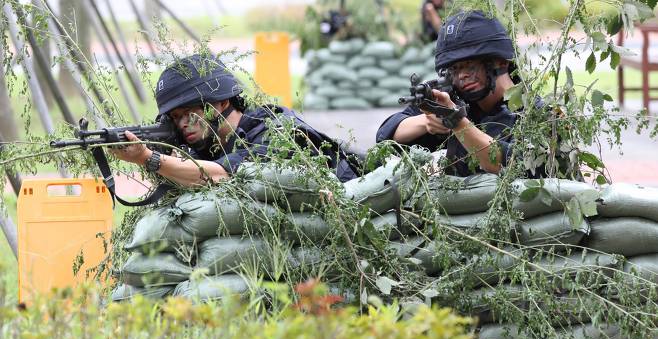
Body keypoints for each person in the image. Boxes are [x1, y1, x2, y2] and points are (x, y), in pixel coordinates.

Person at [111, 54, 359, 186]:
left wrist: (147, 158)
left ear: (222, 101)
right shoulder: (207, 145)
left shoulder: (274, 131)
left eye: (189, 113)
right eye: (175, 118)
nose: (182, 123)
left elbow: (223, 176)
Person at [377, 10, 543, 177]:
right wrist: (427, 122)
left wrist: (455, 121)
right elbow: (386, 137)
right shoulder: (455, 98)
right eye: (455, 69)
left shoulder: (537, 114)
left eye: (469, 65)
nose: (462, 75)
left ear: (500, 61)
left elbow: (514, 167)